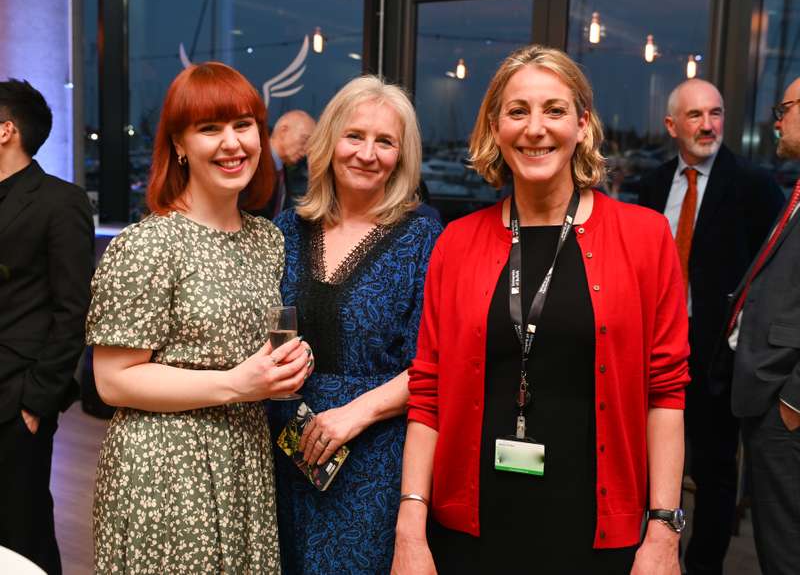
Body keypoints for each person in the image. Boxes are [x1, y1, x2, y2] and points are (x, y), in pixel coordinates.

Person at [392, 44, 690, 575]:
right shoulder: (456, 244)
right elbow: (428, 392)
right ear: (494, 127)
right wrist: (410, 530)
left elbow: (664, 392)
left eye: (554, 110)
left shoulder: (645, 238)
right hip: (471, 532)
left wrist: (663, 529)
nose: (536, 128)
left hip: (597, 533)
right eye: (517, 111)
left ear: (582, 124)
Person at [85, 62, 312, 573]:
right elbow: (113, 380)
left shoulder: (266, 240)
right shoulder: (148, 243)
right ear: (179, 145)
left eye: (243, 124)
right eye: (210, 128)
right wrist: (238, 383)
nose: (232, 143)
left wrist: (282, 366)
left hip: (244, 461)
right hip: (166, 473)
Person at [269, 75, 441, 574]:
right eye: (355, 136)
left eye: (385, 141)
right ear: (329, 142)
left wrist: (356, 413)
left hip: (371, 463)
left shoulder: (423, 240)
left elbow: (433, 364)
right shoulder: (286, 229)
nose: (367, 153)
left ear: (401, 156)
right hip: (283, 449)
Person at [638, 79, 784, 575]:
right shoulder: (652, 185)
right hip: (654, 352)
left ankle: (702, 568)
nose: (708, 125)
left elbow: (772, 278)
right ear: (671, 125)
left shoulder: (754, 187)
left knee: (716, 475)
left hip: (718, 360)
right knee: (653, 470)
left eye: (716, 113)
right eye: (695, 115)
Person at [0, 79, 93, 574]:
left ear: (6, 130)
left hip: (16, 399)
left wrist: (36, 403)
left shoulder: (61, 201)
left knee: (24, 533)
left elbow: (73, 309)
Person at [724, 76, 800, 575]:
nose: (776, 120)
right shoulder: (794, 189)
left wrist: (793, 401)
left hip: (787, 405)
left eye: (786, 107)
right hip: (766, 390)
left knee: (787, 547)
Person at [259, 109, 316, 218]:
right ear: (284, 130)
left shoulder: (282, 171)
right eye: (304, 140)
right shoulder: (253, 164)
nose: (306, 150)